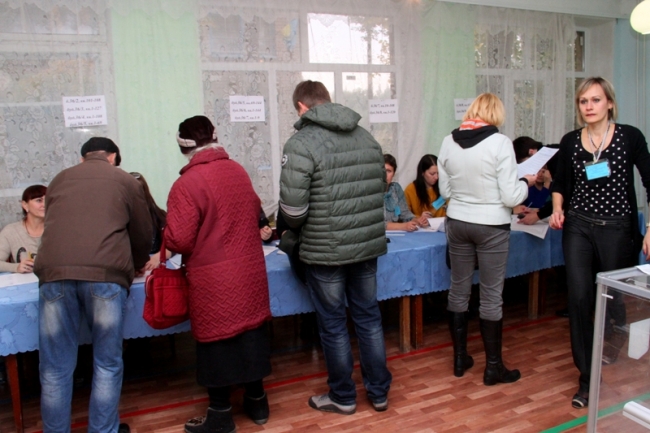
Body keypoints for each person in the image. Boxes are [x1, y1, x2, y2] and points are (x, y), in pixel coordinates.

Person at [279, 80, 392, 415]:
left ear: (302, 107)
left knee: (333, 324)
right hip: (366, 246)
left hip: (324, 249)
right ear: (327, 100)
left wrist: (293, 232)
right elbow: (379, 189)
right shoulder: (367, 137)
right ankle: (379, 393)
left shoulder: (300, 144)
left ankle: (343, 396)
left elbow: (293, 212)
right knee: (369, 318)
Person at [34, 137, 152, 433]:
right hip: (104, 276)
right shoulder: (125, 180)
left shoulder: (60, 179)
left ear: (83, 157)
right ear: (113, 157)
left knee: (54, 367)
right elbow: (142, 232)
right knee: (106, 363)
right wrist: (138, 262)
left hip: (54, 275)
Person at [165, 115, 272, 433]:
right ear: (214, 137)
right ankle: (258, 402)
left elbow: (180, 240)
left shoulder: (187, 184)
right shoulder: (237, 170)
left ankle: (221, 414)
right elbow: (254, 211)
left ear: (183, 146)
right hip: (249, 270)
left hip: (214, 277)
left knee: (218, 344)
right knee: (251, 335)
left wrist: (165, 234)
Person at [549, 77, 650, 409]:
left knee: (611, 296)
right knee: (579, 298)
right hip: (578, 226)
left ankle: (615, 335)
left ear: (609, 103)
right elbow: (561, 182)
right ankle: (587, 379)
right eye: (583, 101)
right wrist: (558, 208)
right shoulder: (570, 141)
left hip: (617, 229)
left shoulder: (629, 137)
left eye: (595, 100)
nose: (589, 106)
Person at [438, 93, 535, 384]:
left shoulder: (448, 141)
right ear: (496, 114)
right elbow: (511, 197)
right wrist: (525, 182)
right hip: (491, 225)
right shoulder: (500, 142)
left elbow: (445, 192)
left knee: (458, 290)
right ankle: (493, 367)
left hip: (457, 222)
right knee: (491, 295)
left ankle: (460, 359)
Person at [0, 184, 47, 273]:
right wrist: (16, 267)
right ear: (25, 205)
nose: (44, 204)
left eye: (48, 200)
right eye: (39, 200)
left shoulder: (59, 229)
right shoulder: (11, 231)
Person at [129, 172, 171, 270]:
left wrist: (159, 256)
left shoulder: (160, 216)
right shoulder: (119, 219)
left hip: (155, 266)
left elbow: (174, 246)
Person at [404, 154, 446, 227]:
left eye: (438, 173)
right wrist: (419, 218)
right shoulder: (410, 190)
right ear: (422, 173)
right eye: (432, 174)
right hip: (419, 229)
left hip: (441, 228)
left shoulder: (444, 188)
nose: (436, 177)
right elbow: (404, 215)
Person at [383, 154, 419, 231]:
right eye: (383, 170)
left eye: (389, 171)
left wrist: (416, 220)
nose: (385, 175)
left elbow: (405, 214)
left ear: (393, 174)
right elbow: (377, 224)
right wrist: (403, 226)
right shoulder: (370, 192)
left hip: (396, 234)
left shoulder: (396, 188)